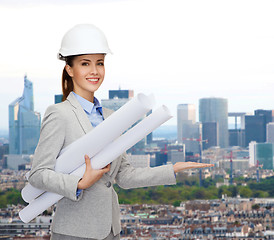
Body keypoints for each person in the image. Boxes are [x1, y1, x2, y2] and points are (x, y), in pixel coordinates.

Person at [28, 24, 213, 240]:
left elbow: (124, 176)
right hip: (74, 232)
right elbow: (37, 174)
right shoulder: (59, 114)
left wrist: (172, 169)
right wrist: (79, 184)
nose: (95, 71)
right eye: (85, 63)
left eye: (100, 63)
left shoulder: (110, 116)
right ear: (69, 69)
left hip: (111, 230)